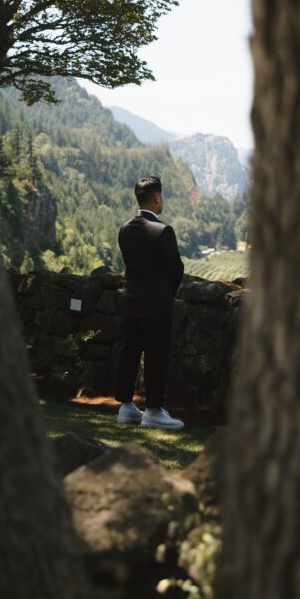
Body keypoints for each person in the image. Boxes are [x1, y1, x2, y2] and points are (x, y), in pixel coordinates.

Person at [114, 175, 185, 430]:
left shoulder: (125, 229)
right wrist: (167, 293)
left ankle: (125, 407)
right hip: (156, 303)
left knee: (130, 352)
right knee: (156, 355)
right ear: (156, 197)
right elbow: (176, 269)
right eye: (161, 195)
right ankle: (153, 410)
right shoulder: (162, 231)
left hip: (130, 300)